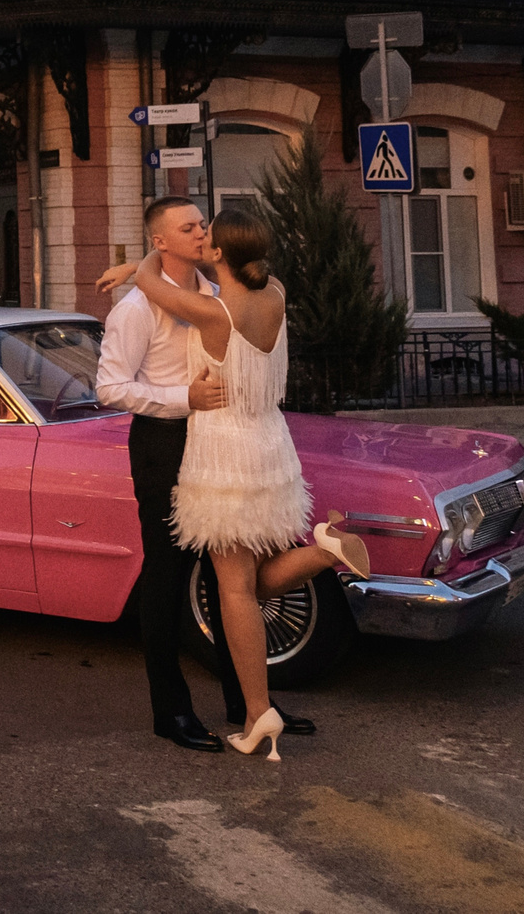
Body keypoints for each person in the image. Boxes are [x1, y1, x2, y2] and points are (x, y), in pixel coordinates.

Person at [125, 204, 370, 762]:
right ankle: (323, 552)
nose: (201, 236)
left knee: (235, 589)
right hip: (270, 444)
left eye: (207, 234)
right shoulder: (275, 292)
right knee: (250, 583)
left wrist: (145, 257)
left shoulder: (213, 311)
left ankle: (259, 712)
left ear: (217, 254)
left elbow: (148, 279)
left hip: (223, 450)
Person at [93, 195, 250, 754]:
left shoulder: (213, 290)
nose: (202, 232)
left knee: (226, 576)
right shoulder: (135, 309)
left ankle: (249, 704)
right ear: (161, 242)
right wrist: (182, 397)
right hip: (163, 444)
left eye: (203, 223)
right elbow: (109, 388)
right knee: (166, 574)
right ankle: (172, 711)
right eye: (189, 227)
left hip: (214, 442)